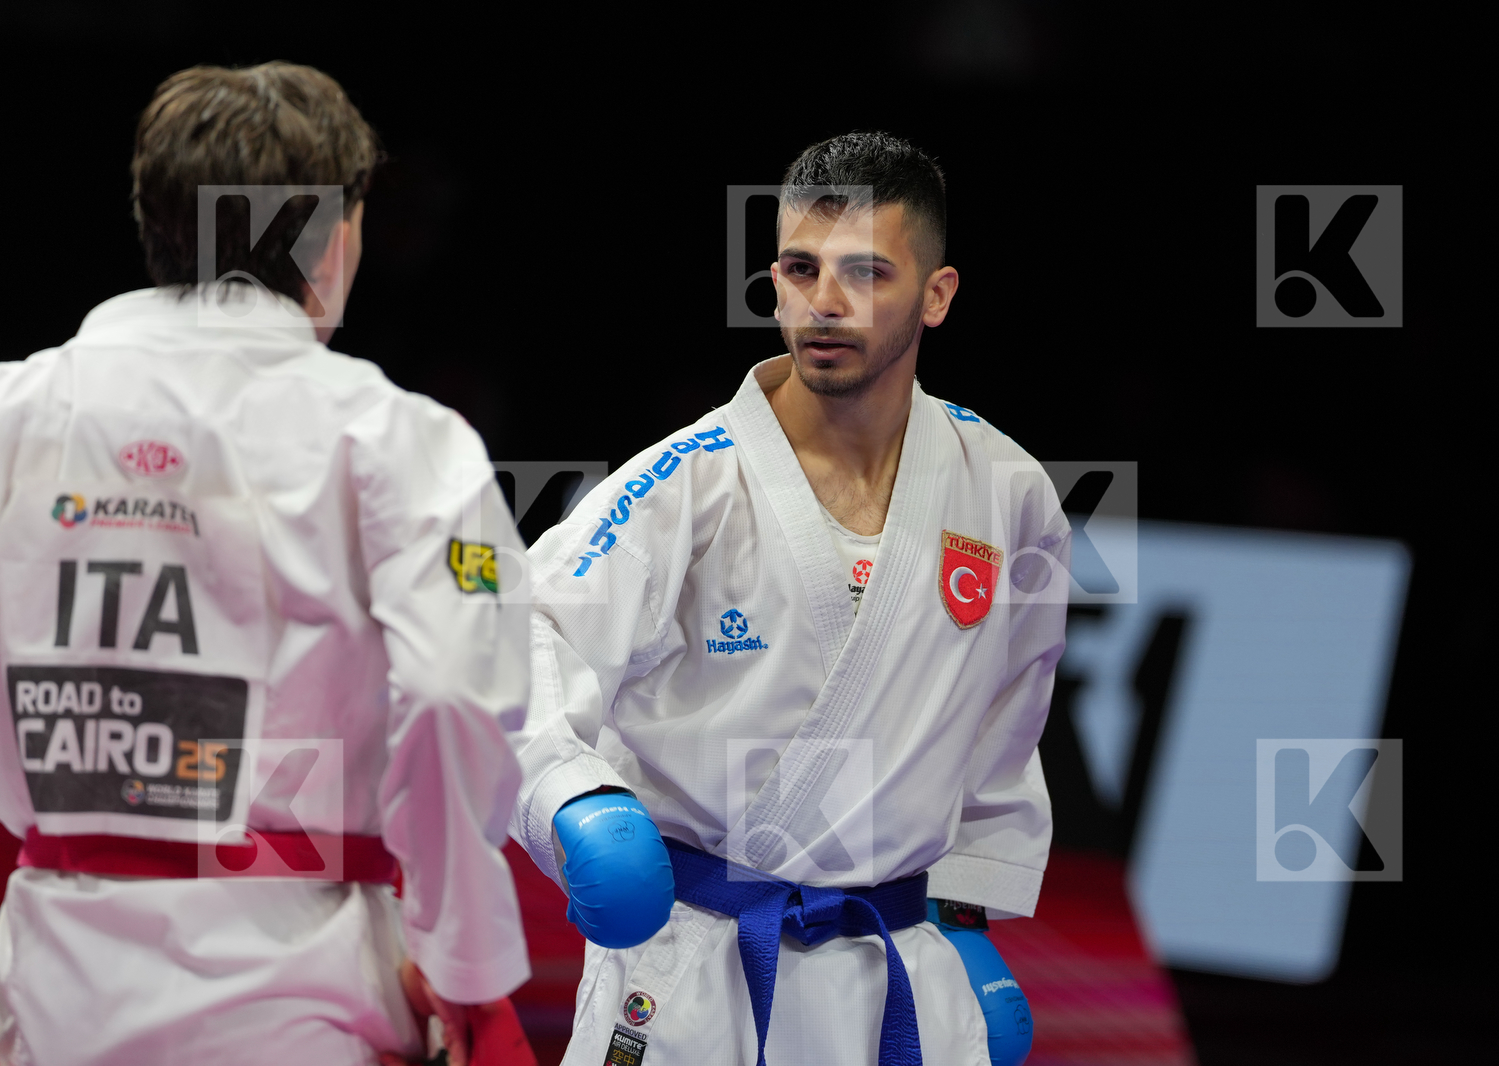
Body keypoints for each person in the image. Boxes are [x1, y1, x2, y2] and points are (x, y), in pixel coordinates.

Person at [0, 63, 533, 1066]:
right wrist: (466, 971)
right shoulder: (399, 440)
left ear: (157, 222)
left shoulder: (16, 415)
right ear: (332, 240)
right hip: (298, 992)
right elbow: (455, 698)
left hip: (52, 980)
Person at [511, 132, 1065, 1066]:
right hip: (696, 968)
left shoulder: (1006, 491)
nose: (826, 303)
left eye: (867, 273)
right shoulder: (681, 485)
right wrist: (573, 802)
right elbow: (523, 638)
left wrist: (965, 911)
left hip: (898, 971)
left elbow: (1006, 721)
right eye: (801, 269)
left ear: (938, 294)